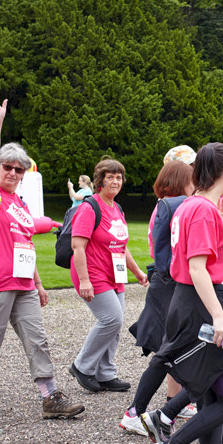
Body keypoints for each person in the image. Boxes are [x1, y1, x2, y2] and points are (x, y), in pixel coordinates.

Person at [0, 90, 84, 421]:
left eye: (18, 170)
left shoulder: (19, 204)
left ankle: (51, 396)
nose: (11, 173)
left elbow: (25, 245)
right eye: (8, 168)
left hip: (22, 283)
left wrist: (37, 284)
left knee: (37, 340)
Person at [142, 142, 223, 444]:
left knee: (210, 395)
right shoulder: (203, 210)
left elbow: (216, 261)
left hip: (199, 301)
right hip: (203, 305)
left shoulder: (199, 207)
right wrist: (220, 319)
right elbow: (197, 269)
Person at [120, 158, 195, 436]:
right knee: (168, 350)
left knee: (172, 350)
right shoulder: (173, 206)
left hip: (167, 283)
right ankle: (137, 411)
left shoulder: (167, 205)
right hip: (171, 284)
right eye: (191, 179)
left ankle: (170, 405)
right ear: (181, 181)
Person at [68, 158, 148, 393]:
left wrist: (138, 272)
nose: (115, 181)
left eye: (119, 177)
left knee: (115, 323)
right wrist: (84, 280)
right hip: (92, 273)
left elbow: (121, 247)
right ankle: (82, 366)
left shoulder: (117, 208)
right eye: (110, 177)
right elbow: (78, 246)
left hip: (115, 274)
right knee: (111, 318)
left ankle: (106, 374)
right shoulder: (89, 207)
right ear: (100, 181)